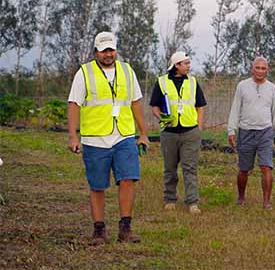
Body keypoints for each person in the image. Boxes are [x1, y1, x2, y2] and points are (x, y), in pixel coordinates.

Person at [67, 31, 150, 245]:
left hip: (123, 136)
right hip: (95, 139)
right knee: (98, 185)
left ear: (116, 50)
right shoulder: (84, 73)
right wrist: (73, 136)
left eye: (111, 49)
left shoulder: (127, 71)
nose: (108, 54)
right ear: (96, 51)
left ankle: (125, 228)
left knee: (128, 179)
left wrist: (143, 133)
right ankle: (99, 230)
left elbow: (135, 103)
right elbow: (74, 104)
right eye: (104, 50)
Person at [150, 51, 206, 214]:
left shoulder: (193, 82)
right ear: (176, 65)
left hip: (190, 131)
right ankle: (169, 199)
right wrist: (161, 117)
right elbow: (154, 106)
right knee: (170, 168)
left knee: (190, 168)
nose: (189, 66)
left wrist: (199, 127)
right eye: (185, 63)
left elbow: (200, 106)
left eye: (189, 63)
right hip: (169, 132)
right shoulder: (161, 82)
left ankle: (192, 202)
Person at [227, 56, 275, 210]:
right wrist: (231, 131)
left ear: (267, 70)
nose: (260, 71)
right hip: (246, 131)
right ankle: (241, 196)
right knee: (244, 169)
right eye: (257, 68)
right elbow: (235, 108)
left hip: (265, 131)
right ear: (252, 69)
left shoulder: (272, 88)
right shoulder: (242, 86)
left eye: (263, 68)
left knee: (266, 166)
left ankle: (266, 202)